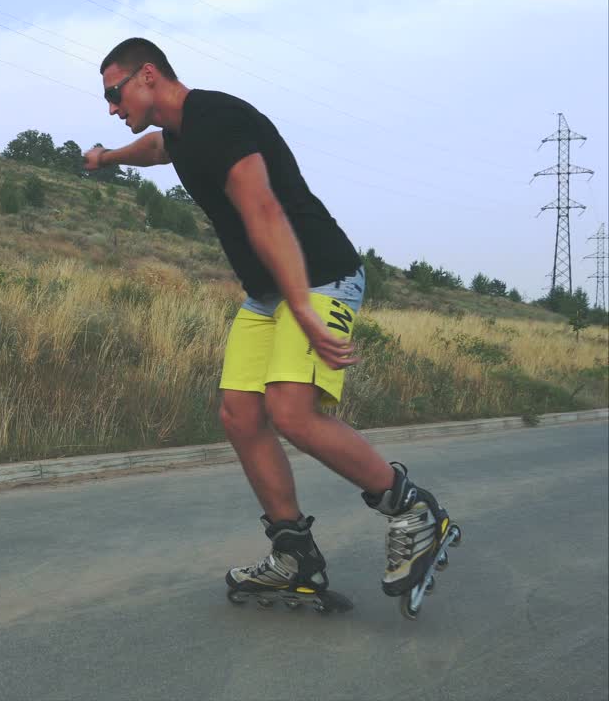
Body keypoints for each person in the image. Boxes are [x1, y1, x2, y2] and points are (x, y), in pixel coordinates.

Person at [84, 38, 455, 602]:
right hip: (267, 294)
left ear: (148, 76)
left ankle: (413, 509)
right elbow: (157, 148)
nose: (111, 108)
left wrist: (303, 308)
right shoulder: (181, 132)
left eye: (114, 93)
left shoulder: (220, 119)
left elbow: (263, 210)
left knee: (291, 410)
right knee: (239, 413)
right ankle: (293, 554)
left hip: (317, 275)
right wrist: (109, 157)